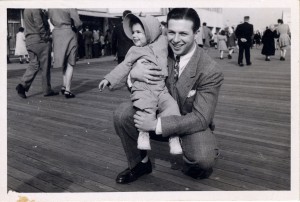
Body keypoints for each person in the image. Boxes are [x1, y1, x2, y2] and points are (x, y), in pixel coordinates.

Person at [112, 8, 224, 184]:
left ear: (196, 33)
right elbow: (136, 85)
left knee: (203, 159)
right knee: (122, 114)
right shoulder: (157, 50)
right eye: (171, 32)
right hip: (157, 107)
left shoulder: (210, 69)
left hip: (189, 121)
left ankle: (189, 152)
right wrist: (133, 75)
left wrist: (156, 125)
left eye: (183, 34)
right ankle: (140, 163)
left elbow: (201, 118)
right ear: (165, 30)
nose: (176, 40)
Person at [99, 13, 182, 155]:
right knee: (146, 108)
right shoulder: (133, 50)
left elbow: (167, 33)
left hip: (161, 89)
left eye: (139, 32)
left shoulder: (162, 42)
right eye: (133, 33)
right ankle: (144, 133)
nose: (134, 36)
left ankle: (174, 137)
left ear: (150, 32)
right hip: (143, 89)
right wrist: (109, 78)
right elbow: (124, 66)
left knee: (172, 106)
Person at [16, 9, 58, 99]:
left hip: (29, 41)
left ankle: (22, 86)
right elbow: (39, 25)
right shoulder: (35, 8)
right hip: (40, 41)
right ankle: (47, 90)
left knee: (34, 64)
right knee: (45, 66)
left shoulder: (26, 9)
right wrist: (46, 37)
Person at [48, 9, 82, 99]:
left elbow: (51, 19)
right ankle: (68, 90)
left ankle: (63, 86)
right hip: (69, 32)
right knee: (70, 62)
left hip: (57, 33)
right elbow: (78, 22)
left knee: (63, 60)